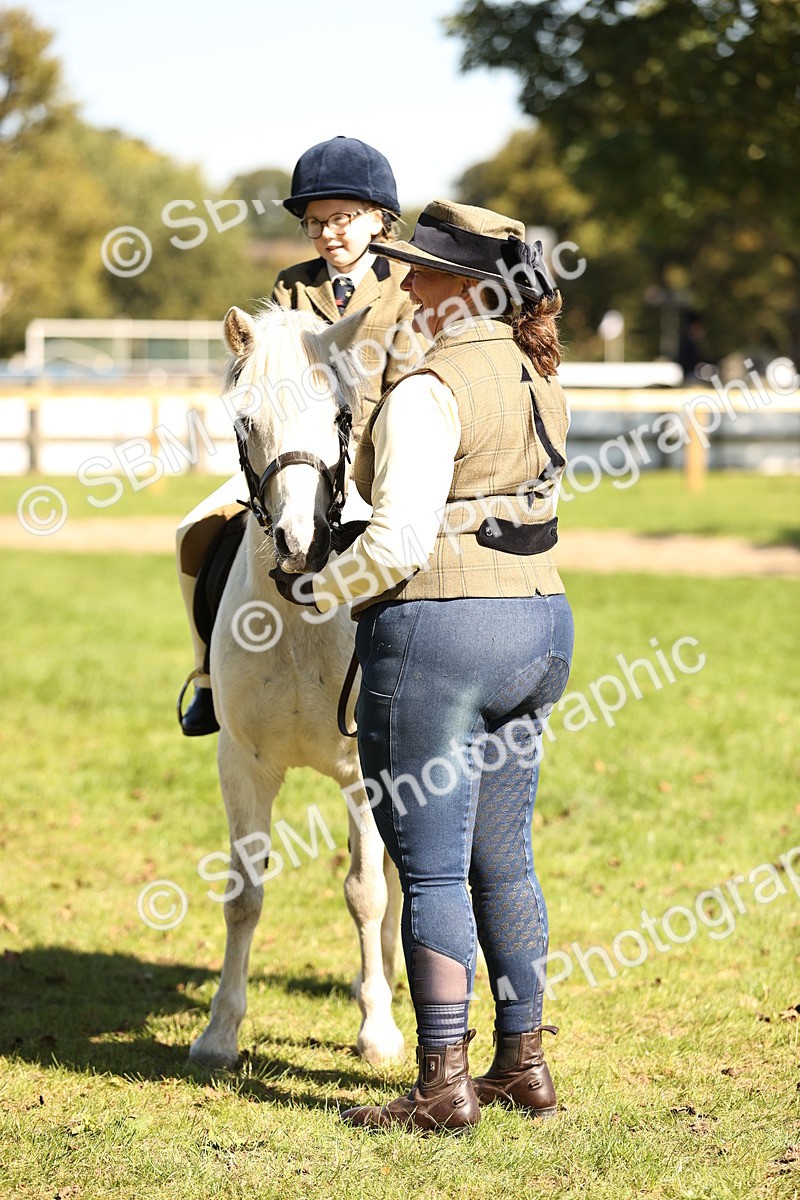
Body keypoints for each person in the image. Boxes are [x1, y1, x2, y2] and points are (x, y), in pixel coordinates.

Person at [275, 200, 575, 1133]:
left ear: (457, 288)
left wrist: (324, 594)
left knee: (434, 872)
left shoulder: (425, 384)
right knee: (506, 861)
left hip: (442, 632)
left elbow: (400, 540)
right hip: (541, 622)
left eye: (418, 271)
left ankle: (443, 1085)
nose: (405, 284)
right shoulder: (536, 372)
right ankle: (522, 1065)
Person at [176, 136, 420, 736]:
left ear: (378, 219)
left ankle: (414, 682)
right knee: (191, 530)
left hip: (373, 462)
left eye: (342, 218)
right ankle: (209, 673)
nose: (328, 234)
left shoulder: (407, 289)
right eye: (315, 223)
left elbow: (409, 383)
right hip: (288, 460)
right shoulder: (290, 284)